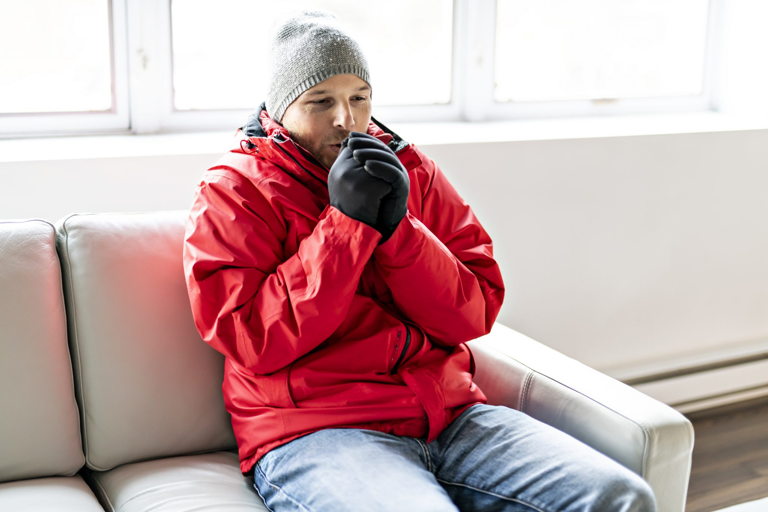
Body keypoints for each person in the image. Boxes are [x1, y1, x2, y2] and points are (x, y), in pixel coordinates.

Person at [183, 10, 656, 512]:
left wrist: (397, 231)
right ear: (280, 110)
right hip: (317, 432)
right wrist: (346, 227)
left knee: (618, 496)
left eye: (359, 98)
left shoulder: (410, 169)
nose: (345, 119)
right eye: (320, 102)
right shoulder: (233, 191)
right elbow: (251, 338)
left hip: (451, 416)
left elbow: (474, 313)